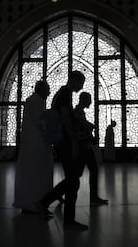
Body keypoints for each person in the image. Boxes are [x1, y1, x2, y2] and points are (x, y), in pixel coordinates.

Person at [36, 71, 88, 231]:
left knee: (73, 180)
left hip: (62, 142)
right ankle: (47, 204)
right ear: (73, 80)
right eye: (80, 83)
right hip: (65, 143)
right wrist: (73, 141)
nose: (81, 86)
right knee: (73, 180)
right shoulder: (65, 93)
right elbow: (65, 116)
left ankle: (64, 217)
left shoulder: (62, 93)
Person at [14, 81, 53, 214]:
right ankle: (33, 204)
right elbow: (41, 122)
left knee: (32, 173)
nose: (49, 92)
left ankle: (32, 203)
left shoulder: (34, 101)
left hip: (33, 144)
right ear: (41, 89)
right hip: (35, 144)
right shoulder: (36, 102)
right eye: (47, 89)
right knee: (35, 173)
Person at [74, 92, 108, 205]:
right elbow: (83, 125)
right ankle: (93, 198)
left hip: (85, 146)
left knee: (86, 171)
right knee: (78, 174)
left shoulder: (79, 111)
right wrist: (92, 126)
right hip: (83, 146)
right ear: (83, 100)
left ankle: (94, 197)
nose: (90, 102)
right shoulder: (78, 112)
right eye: (89, 100)